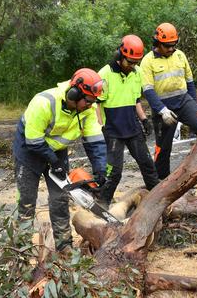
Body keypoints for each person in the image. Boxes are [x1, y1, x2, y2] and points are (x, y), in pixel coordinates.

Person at [13, 68, 107, 251]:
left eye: (93, 101)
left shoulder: (88, 109)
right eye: (88, 101)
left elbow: (95, 140)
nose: (90, 105)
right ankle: (20, 249)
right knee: (27, 200)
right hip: (29, 150)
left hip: (58, 152)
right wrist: (53, 161)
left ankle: (64, 246)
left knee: (60, 198)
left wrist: (100, 169)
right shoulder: (44, 102)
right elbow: (33, 140)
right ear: (75, 93)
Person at [140, 23, 197, 179]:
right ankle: (161, 179)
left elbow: (190, 81)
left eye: (174, 45)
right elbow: (148, 90)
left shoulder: (180, 55)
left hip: (184, 101)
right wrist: (162, 110)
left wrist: (195, 103)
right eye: (167, 46)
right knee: (163, 147)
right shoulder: (147, 61)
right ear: (157, 43)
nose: (171, 49)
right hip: (163, 106)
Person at [96, 35, 160, 206]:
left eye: (136, 62)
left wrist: (144, 120)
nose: (133, 66)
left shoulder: (136, 72)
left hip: (133, 127)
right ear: (120, 55)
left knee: (147, 164)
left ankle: (157, 199)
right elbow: (97, 104)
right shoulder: (105, 74)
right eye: (130, 62)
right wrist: (101, 128)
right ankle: (102, 203)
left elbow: (136, 100)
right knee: (114, 172)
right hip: (113, 130)